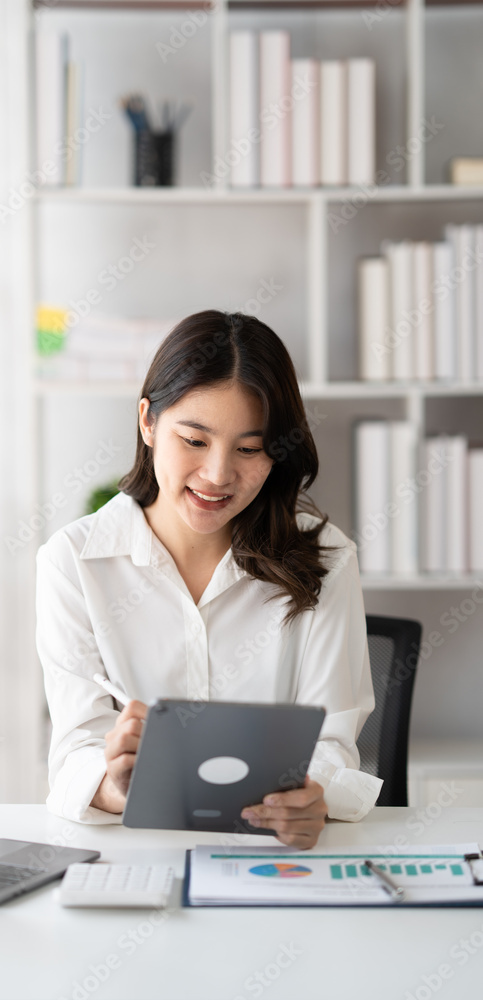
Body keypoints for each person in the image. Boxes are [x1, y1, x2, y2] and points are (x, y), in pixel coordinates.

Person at [35, 310, 383, 849]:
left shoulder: (326, 556)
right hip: (138, 853)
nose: (219, 475)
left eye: (248, 449)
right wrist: (120, 786)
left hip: (277, 860)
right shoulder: (75, 562)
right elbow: (76, 749)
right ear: (148, 422)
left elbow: (331, 741)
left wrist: (313, 794)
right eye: (194, 440)